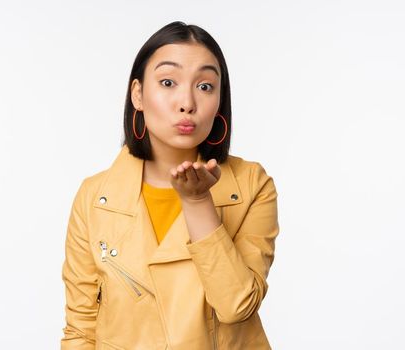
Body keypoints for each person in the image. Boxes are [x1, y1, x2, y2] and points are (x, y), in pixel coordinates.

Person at [60, 21, 279, 350]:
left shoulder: (250, 185)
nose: (187, 102)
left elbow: (237, 306)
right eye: (167, 82)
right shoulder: (95, 198)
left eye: (205, 86)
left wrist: (198, 201)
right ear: (138, 94)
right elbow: (81, 328)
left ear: (220, 100)